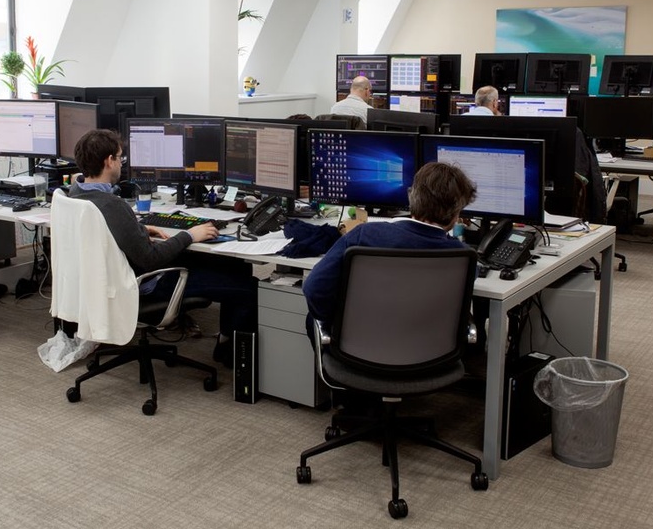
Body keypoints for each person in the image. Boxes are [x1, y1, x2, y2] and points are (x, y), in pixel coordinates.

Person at [68, 128, 257, 365]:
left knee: (231, 264)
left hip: (107, 282)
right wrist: (189, 235)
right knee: (248, 288)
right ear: (109, 161)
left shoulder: (75, 194)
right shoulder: (111, 205)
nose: (121, 163)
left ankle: (226, 341)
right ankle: (232, 356)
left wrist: (138, 230)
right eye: (120, 157)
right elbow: (151, 258)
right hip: (145, 284)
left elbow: (100, 232)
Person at [301, 161, 476, 333]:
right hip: (427, 351)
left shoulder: (364, 235)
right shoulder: (463, 257)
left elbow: (314, 289)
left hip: (359, 348)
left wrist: (338, 321)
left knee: (312, 320)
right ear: (456, 215)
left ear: (411, 197)